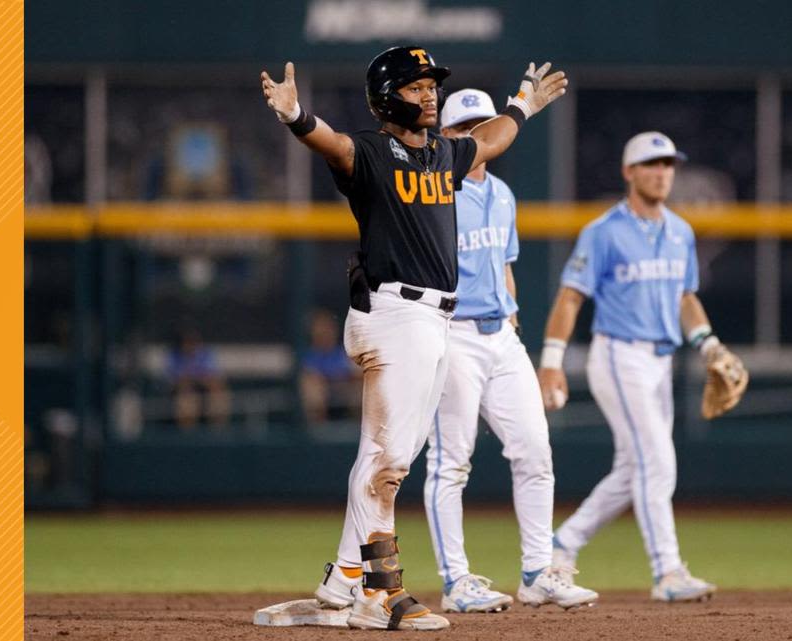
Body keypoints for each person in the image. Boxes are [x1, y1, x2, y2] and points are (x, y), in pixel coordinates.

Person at [261, 47, 567, 631]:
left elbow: (493, 141)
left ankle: (343, 579)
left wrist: (522, 106)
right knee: (389, 461)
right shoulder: (375, 151)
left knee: (383, 454)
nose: (428, 95)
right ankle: (381, 592)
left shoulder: (443, 154)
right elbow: (334, 143)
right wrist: (296, 116)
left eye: (432, 86)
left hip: (432, 321)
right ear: (386, 97)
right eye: (415, 86)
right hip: (395, 313)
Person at [537, 132, 743, 603]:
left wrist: (708, 344)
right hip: (618, 354)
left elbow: (685, 297)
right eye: (651, 164)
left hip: (661, 359)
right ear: (629, 172)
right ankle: (667, 571)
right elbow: (570, 296)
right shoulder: (604, 231)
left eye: (669, 164)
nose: (662, 172)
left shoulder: (680, 231)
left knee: (634, 468)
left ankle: (561, 545)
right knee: (657, 461)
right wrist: (551, 362)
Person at [422, 89, 598, 614]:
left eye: (484, 126)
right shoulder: (434, 192)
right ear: (445, 137)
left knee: (536, 453)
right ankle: (455, 582)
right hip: (451, 334)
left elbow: (505, 264)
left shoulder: (502, 192)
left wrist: (514, 314)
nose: (478, 136)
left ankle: (539, 571)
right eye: (465, 129)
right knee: (450, 463)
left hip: (502, 336)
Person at [299, 309, 360, 424]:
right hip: (323, 394)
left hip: (345, 391)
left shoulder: (344, 351)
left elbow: (356, 373)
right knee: (311, 387)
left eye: (328, 328)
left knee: (361, 387)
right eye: (320, 328)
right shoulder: (310, 355)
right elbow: (310, 374)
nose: (325, 332)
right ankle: (318, 432)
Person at [166, 326, 230, 429]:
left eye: (193, 342)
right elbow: (175, 380)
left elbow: (213, 377)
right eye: (187, 342)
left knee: (217, 390)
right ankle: (187, 432)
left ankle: (218, 430)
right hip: (184, 391)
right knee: (186, 393)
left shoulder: (206, 354)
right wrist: (191, 379)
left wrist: (198, 379)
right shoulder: (174, 356)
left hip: (204, 389)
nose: (190, 345)